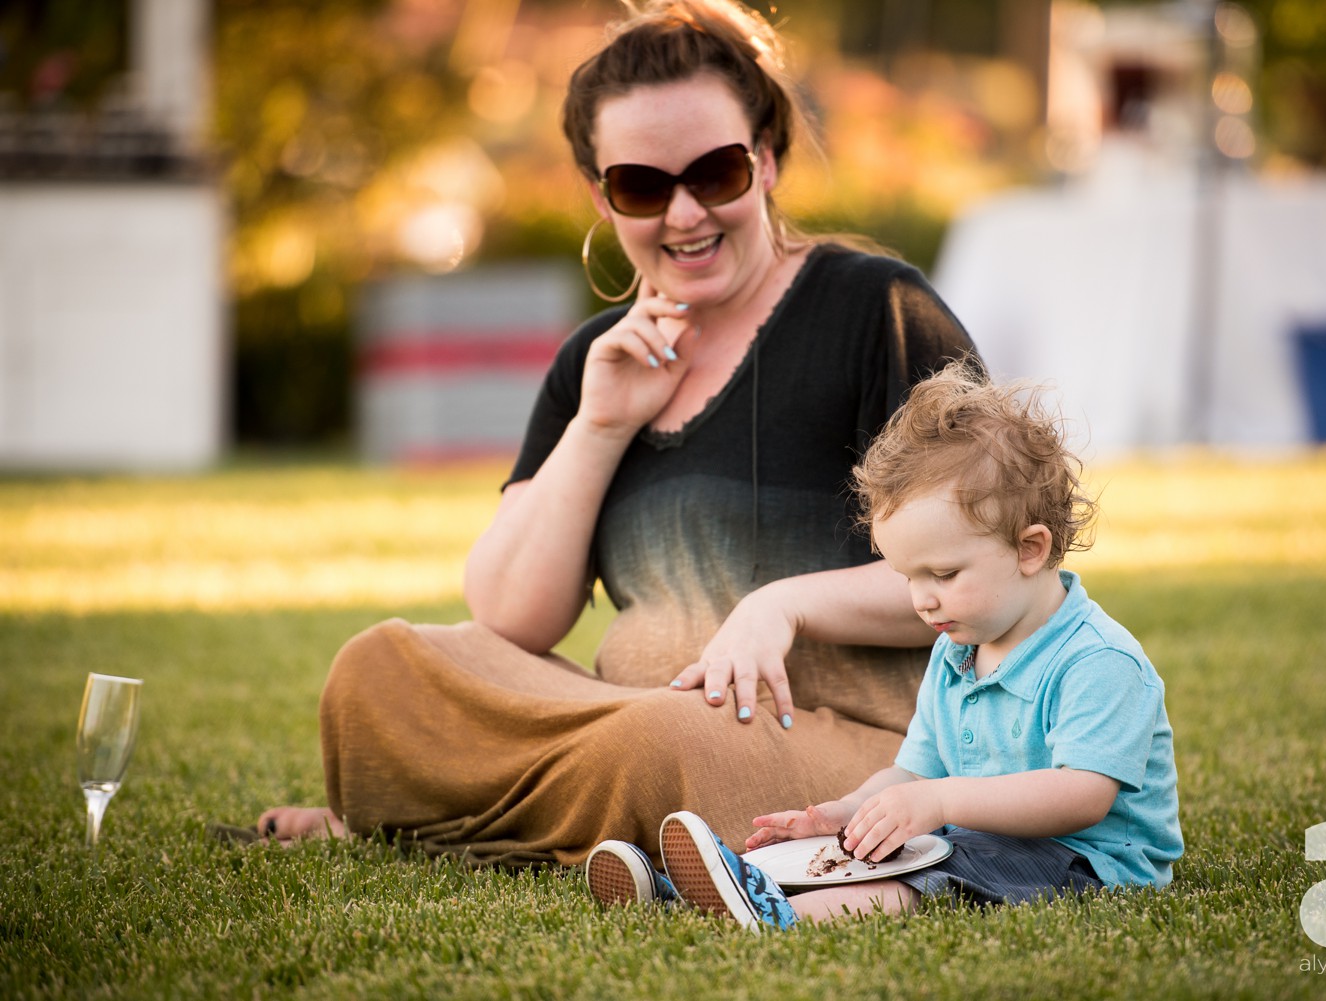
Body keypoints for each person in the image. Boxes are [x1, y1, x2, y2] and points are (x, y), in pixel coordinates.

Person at [254, 0, 973, 868]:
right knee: (379, 673)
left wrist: (782, 603)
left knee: (660, 744)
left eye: (714, 173)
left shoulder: (875, 310)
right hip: (615, 713)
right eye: (642, 185)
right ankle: (539, 818)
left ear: (767, 162)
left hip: (857, 746)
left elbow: (988, 566)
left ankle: (438, 816)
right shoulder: (597, 362)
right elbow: (513, 614)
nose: (683, 214)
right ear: (602, 195)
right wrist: (600, 424)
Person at [586, 362, 1181, 927]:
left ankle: (781, 915)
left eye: (943, 576)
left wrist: (940, 803)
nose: (922, 600)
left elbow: (1080, 797)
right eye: (908, 578)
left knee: (935, 867)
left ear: (1030, 549)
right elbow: (912, 771)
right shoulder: (957, 653)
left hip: (1087, 865)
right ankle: (706, 892)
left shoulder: (1097, 660)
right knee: (885, 848)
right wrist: (844, 813)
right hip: (979, 841)